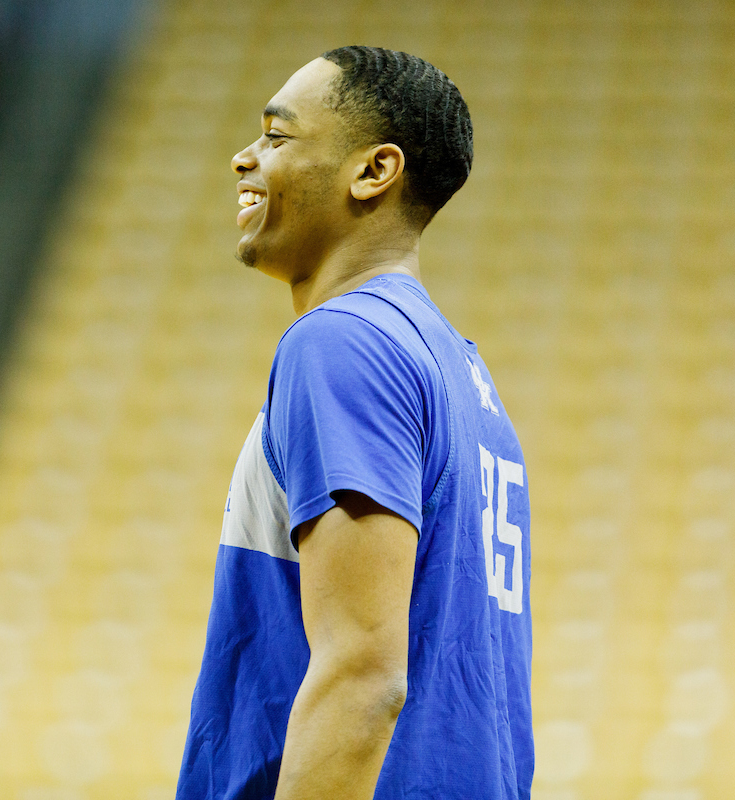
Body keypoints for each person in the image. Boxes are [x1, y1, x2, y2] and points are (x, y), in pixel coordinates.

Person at [175, 46, 532, 800]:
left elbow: (363, 674)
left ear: (373, 171)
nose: (244, 158)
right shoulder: (457, 367)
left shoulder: (343, 343)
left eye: (276, 136)